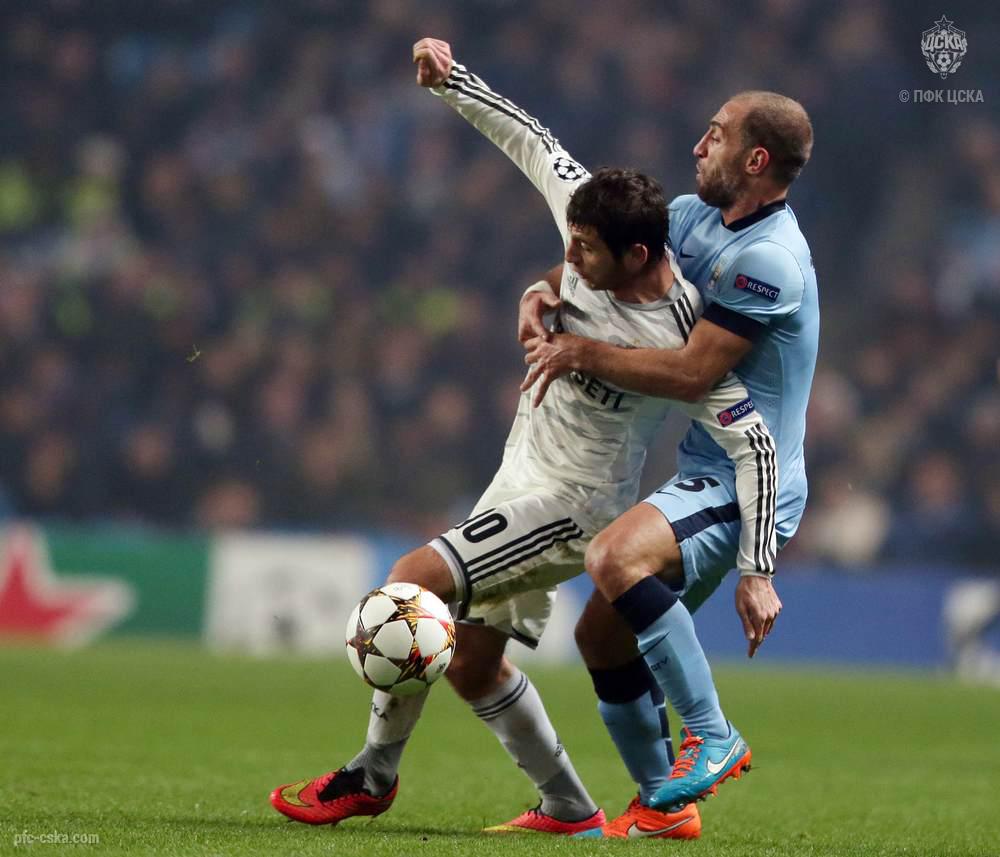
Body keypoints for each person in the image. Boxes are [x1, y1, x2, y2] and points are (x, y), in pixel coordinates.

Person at [268, 39, 781, 841]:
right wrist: (448, 78)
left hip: (574, 505)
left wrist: (758, 567)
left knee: (409, 584)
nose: (568, 261)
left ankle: (371, 774)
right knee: (472, 664)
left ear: (637, 255)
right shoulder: (587, 212)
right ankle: (571, 808)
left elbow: (755, 441)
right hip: (519, 478)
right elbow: (527, 135)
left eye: (585, 252)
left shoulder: (680, 332)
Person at [510, 47, 818, 830]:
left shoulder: (769, 261)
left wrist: (578, 351)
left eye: (715, 135)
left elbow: (690, 373)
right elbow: (601, 264)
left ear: (755, 159)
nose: (697, 145)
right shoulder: (687, 215)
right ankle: (664, 806)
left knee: (613, 556)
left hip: (750, 479)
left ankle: (713, 735)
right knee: (600, 635)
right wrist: (543, 290)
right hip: (704, 467)